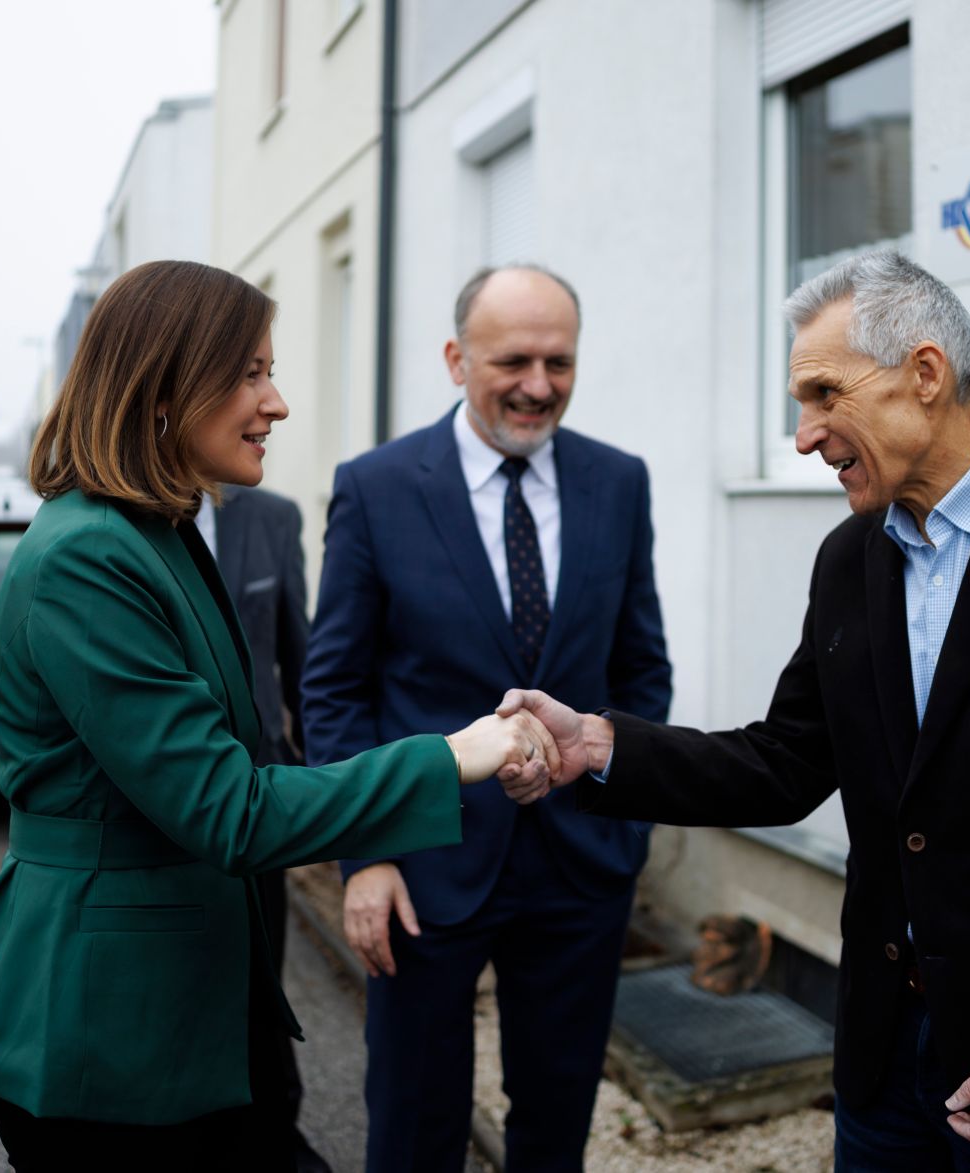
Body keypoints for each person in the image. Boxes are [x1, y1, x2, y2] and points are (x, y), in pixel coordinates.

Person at [496, 249, 970, 1171]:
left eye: (825, 395)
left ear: (925, 374)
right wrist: (597, 744)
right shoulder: (850, 556)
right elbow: (786, 760)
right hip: (880, 1054)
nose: (804, 436)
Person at [0, 259, 557, 1170]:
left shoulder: (147, 534)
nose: (276, 402)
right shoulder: (88, 559)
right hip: (104, 1037)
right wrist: (454, 754)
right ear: (163, 385)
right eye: (249, 373)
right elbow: (231, 807)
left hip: (184, 1016)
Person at [301, 264, 672, 1172]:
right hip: (425, 866)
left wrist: (625, 812)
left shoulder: (618, 482)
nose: (540, 386)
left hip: (581, 867)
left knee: (555, 1128)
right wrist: (368, 856)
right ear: (454, 358)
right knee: (415, 1123)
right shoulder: (376, 487)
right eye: (514, 360)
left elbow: (643, 668)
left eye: (560, 361)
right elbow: (336, 688)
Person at [199, 483, 330, 1172]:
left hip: (261, 793)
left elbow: (300, 654)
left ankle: (278, 1129)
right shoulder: (126, 528)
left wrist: (330, 797)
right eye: (248, 374)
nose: (267, 405)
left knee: (262, 975)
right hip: (169, 801)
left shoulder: (275, 518)